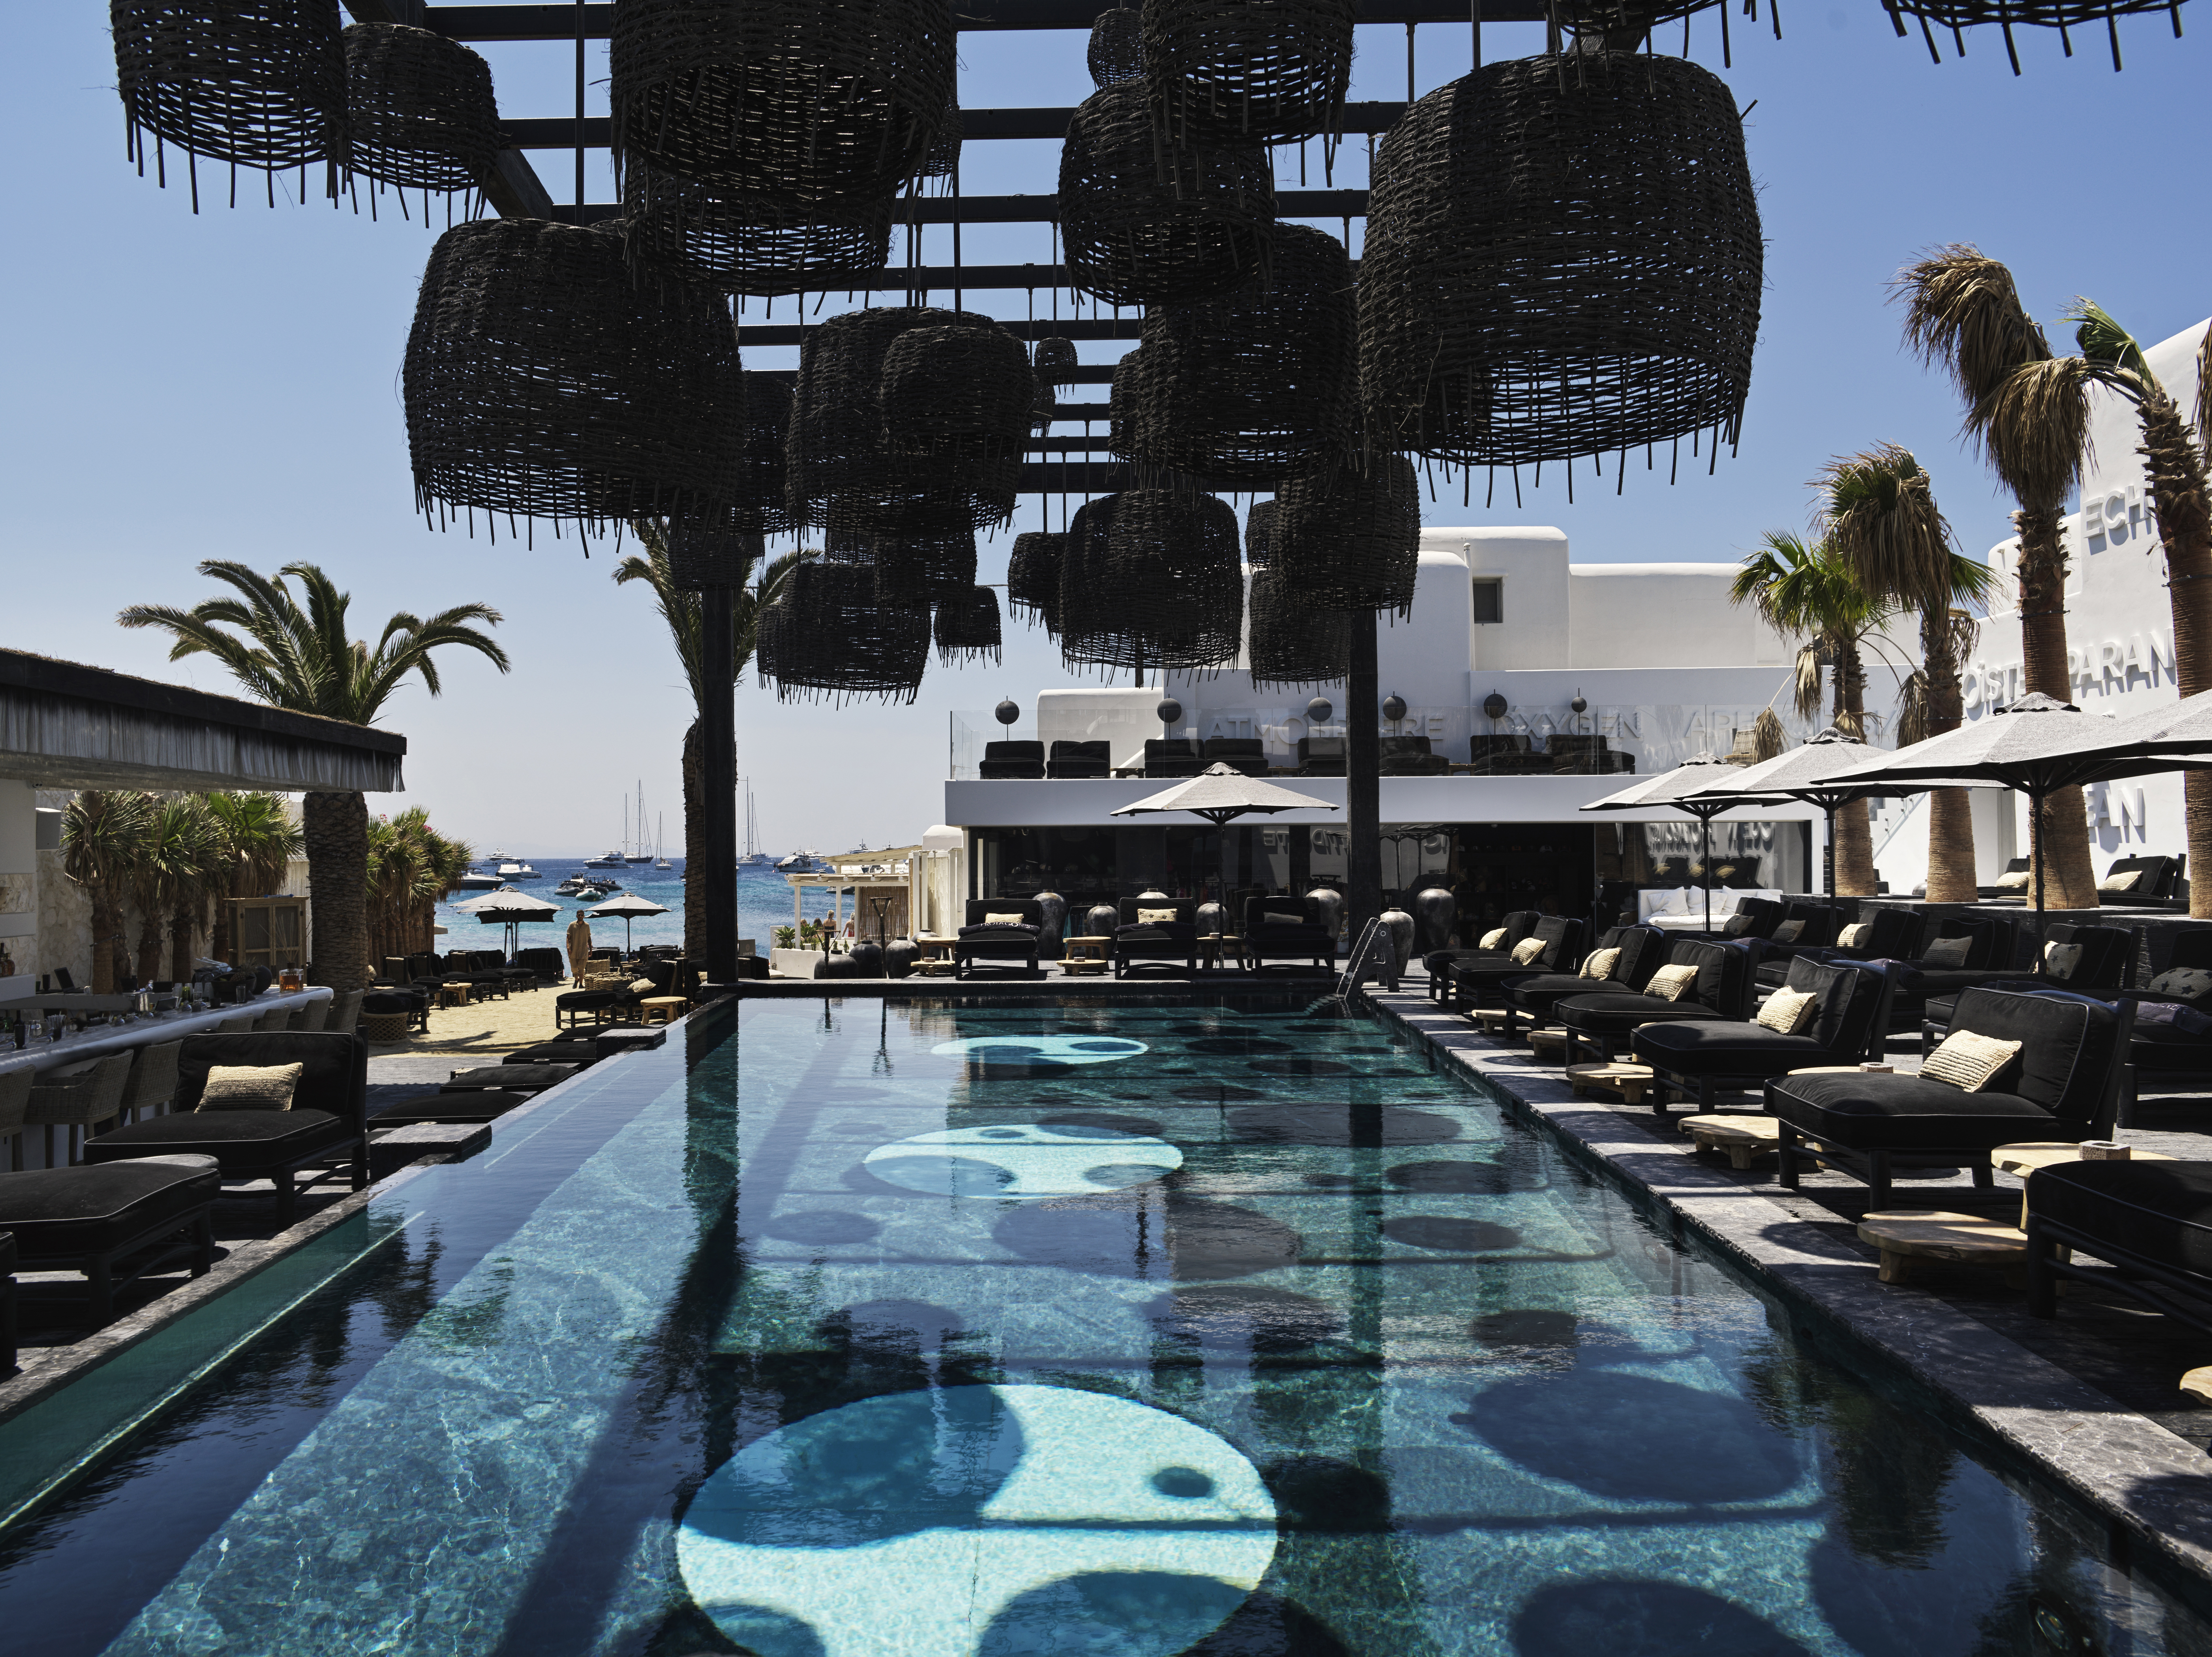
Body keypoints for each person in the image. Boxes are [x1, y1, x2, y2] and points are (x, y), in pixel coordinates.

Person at [565, 910, 596, 986]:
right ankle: (577, 980)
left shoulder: (587, 926)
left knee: (582, 970)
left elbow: (589, 938)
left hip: (584, 952)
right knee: (574, 969)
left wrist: (591, 950)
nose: (581, 916)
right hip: (574, 951)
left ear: (584, 916)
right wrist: (568, 948)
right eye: (579, 915)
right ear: (577, 916)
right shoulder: (572, 925)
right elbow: (568, 938)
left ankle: (581, 985)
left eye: (582, 915)